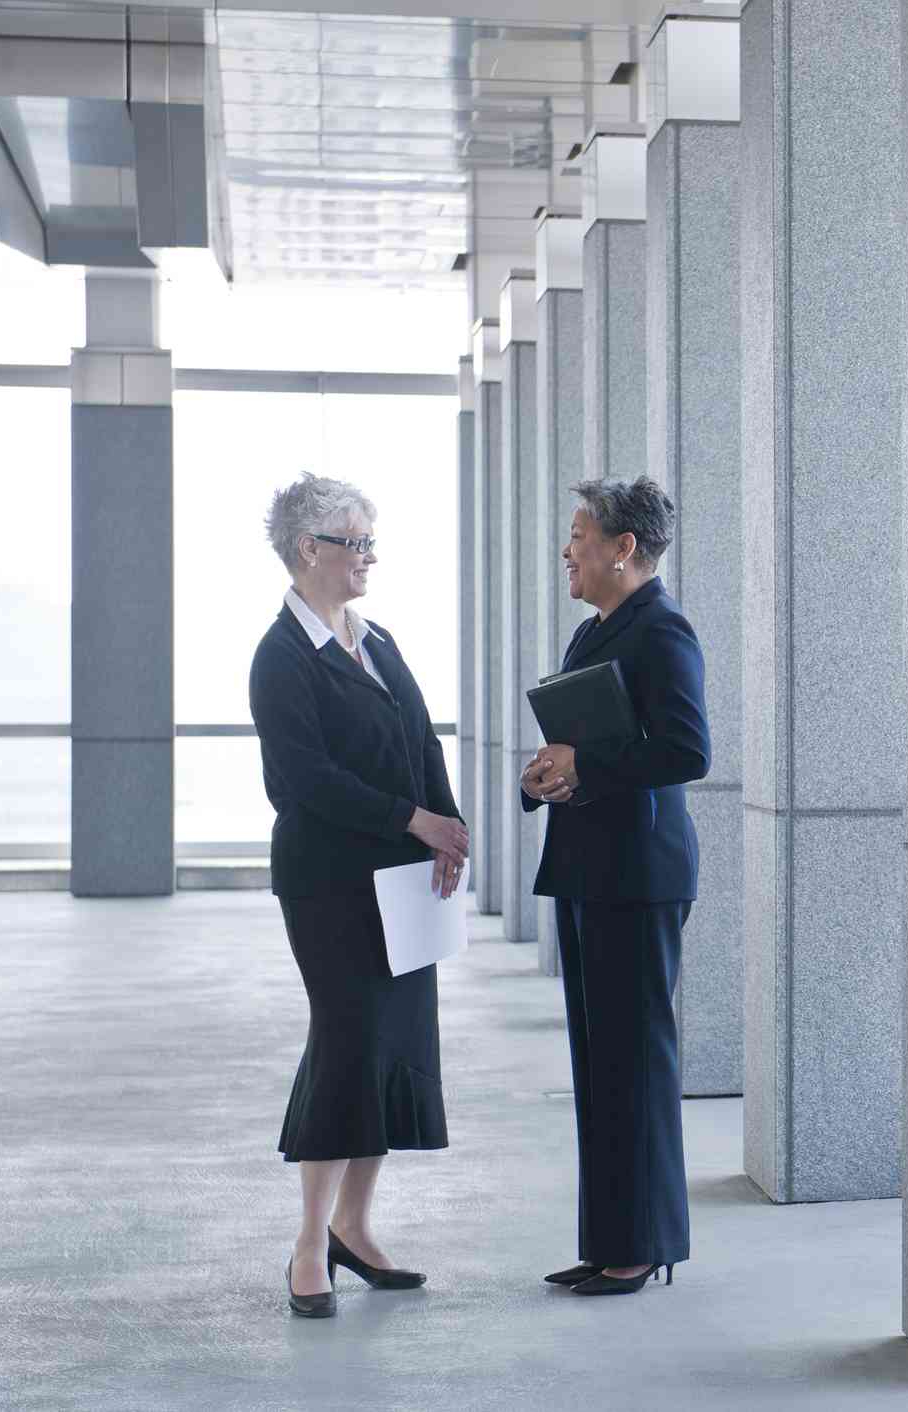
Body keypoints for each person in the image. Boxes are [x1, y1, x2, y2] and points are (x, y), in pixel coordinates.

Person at [249, 473, 469, 1318]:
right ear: (311, 550)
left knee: (392, 1048)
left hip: (404, 878)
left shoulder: (374, 638)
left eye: (371, 542)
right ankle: (310, 1246)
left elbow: (420, 738)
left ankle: (355, 1229)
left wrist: (445, 823)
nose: (369, 557)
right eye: (357, 542)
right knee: (346, 1044)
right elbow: (303, 783)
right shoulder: (280, 656)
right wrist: (413, 818)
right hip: (330, 883)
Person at [522, 476, 709, 1295]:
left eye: (578, 536)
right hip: (592, 867)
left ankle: (642, 1246)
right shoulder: (592, 632)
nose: (567, 551)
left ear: (622, 548)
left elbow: (686, 752)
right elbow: (574, 743)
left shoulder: (662, 631)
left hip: (638, 874)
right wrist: (540, 779)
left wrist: (584, 764)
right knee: (599, 1066)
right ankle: (609, 1242)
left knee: (635, 1064)